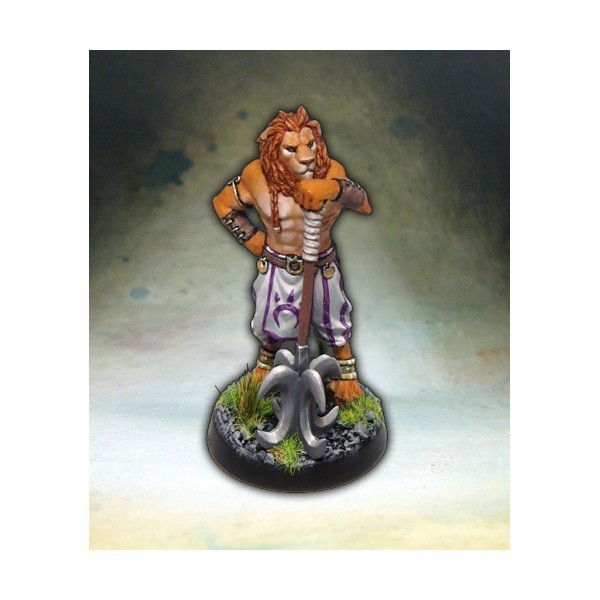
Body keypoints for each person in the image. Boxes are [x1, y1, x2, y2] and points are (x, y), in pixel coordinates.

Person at [212, 106, 372, 403]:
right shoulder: (256, 176)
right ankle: (264, 367)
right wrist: (253, 240)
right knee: (270, 321)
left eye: (310, 144)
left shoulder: (333, 172)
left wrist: (332, 189)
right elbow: (222, 204)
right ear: (274, 151)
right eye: (291, 149)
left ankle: (347, 376)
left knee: (333, 316)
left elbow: (363, 204)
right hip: (278, 267)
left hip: (322, 265)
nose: (307, 156)